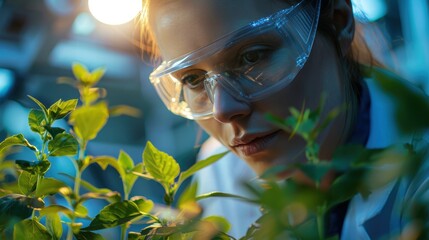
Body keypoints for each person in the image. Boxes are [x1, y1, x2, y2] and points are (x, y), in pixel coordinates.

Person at [138, 0, 429, 238]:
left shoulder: (421, 168)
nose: (222, 110)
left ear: (339, 23)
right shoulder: (220, 176)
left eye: (252, 57)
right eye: (192, 79)